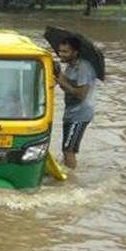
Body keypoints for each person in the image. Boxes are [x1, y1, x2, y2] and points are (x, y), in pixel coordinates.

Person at [55, 36, 97, 170]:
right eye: (60, 51)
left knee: (69, 150)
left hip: (80, 114)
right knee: (67, 148)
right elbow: (65, 85)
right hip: (70, 113)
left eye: (65, 52)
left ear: (75, 52)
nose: (61, 54)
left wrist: (61, 82)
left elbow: (81, 94)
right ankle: (67, 170)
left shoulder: (84, 67)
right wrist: (58, 73)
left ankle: (71, 181)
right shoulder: (70, 67)